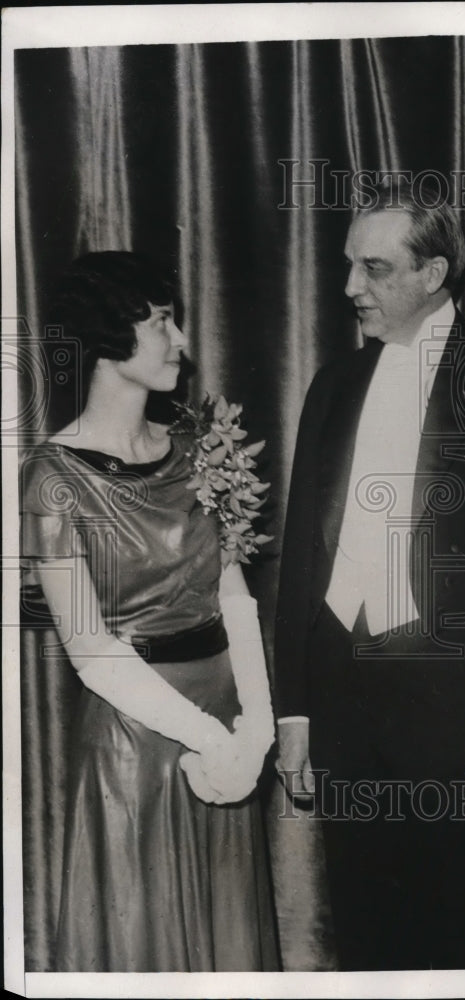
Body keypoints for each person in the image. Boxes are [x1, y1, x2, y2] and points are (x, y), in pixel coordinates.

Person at [273, 181, 465, 970]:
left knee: (455, 939)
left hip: (456, 709)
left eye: (373, 269)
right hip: (339, 699)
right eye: (348, 266)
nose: (349, 289)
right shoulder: (333, 384)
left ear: (433, 273)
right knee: (365, 942)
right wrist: (294, 711)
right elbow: (304, 548)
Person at [20, 251, 279, 971]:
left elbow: (233, 595)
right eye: (163, 321)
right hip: (138, 744)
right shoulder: (52, 477)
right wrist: (209, 738)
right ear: (110, 334)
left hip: (228, 730)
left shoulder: (201, 449)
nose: (182, 340)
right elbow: (90, 648)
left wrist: (253, 731)